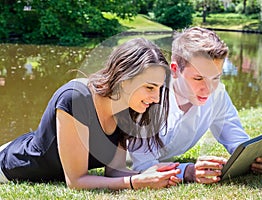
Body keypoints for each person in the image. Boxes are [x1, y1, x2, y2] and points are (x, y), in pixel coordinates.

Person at [0, 38, 181, 190]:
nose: (156, 98)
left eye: (159, 88)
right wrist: (134, 183)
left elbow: (115, 171)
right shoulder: (76, 98)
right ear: (124, 79)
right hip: (8, 168)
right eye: (150, 87)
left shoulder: (126, 110)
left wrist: (148, 176)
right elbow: (76, 181)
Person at [129, 27, 262, 184]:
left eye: (215, 78)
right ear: (174, 70)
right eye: (198, 78)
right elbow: (141, 166)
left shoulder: (217, 94)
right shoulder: (148, 96)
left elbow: (236, 140)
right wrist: (187, 172)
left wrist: (258, 158)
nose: (208, 89)